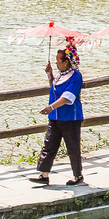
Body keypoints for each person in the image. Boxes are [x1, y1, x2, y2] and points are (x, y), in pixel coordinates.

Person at [32, 38, 86, 186]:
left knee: (72, 147)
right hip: (55, 117)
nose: (56, 63)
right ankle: (44, 174)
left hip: (70, 118)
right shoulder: (59, 75)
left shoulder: (75, 76)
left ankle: (77, 175)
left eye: (58, 60)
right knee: (49, 144)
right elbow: (54, 89)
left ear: (66, 62)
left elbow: (68, 96)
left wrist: (51, 107)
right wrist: (50, 75)